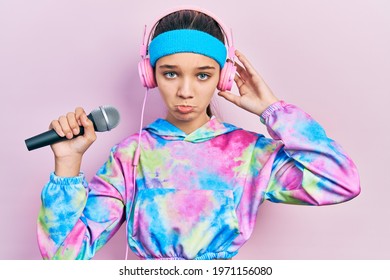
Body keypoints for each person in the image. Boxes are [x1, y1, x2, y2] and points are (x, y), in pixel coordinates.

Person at [37, 6, 361, 260]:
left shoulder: (249, 154)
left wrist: (273, 110)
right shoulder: (130, 156)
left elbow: (341, 182)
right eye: (171, 73)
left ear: (223, 77)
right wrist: (68, 163)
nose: (185, 91)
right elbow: (64, 258)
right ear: (150, 75)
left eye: (203, 75)